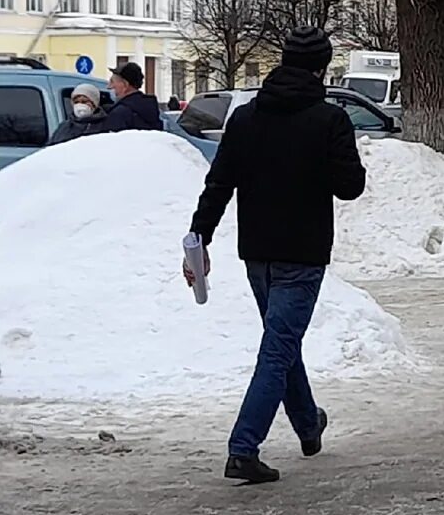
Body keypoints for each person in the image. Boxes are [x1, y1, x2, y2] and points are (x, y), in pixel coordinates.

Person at [186, 27, 366, 485]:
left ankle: (308, 425)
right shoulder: (330, 120)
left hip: (258, 253)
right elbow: (350, 187)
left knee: (281, 343)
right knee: (278, 348)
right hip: (303, 254)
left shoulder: (246, 118)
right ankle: (243, 448)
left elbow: (219, 183)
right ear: (322, 68)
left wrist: (198, 239)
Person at [102, 62, 161, 132]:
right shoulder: (151, 108)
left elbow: (112, 140)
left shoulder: (120, 113)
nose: (109, 86)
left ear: (125, 85)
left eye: (112, 82)